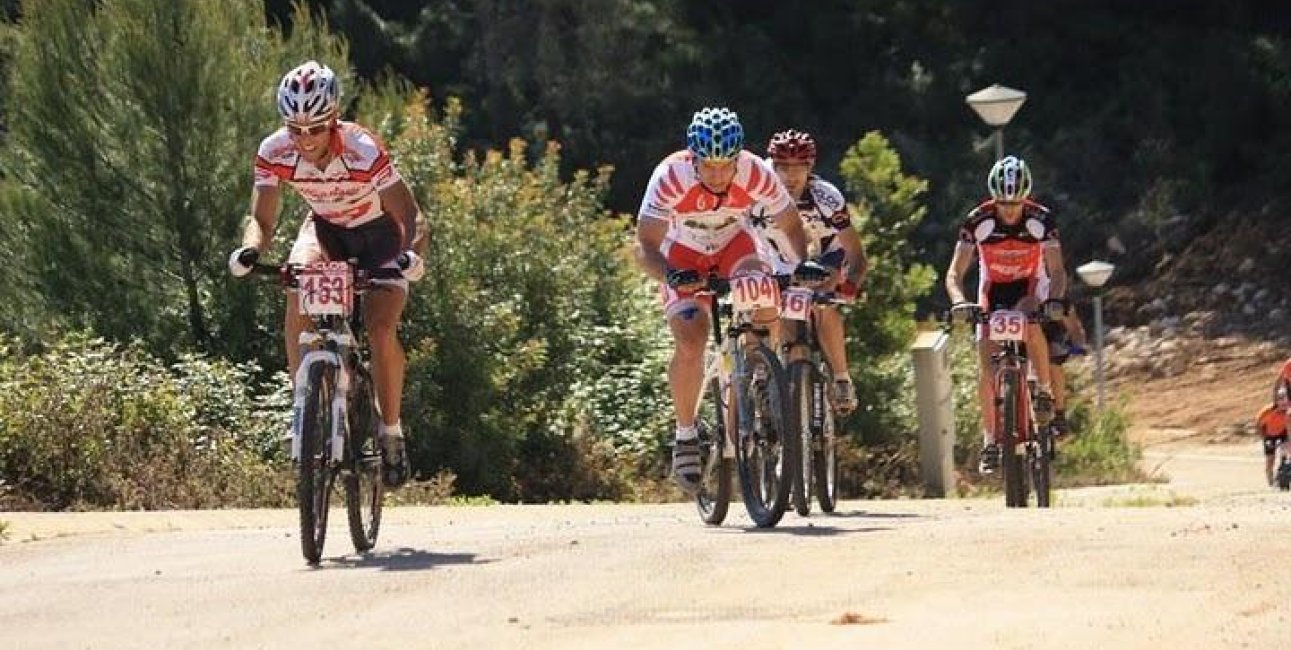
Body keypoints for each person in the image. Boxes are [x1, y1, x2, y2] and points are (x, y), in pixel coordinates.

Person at [227, 60, 427, 488]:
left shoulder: (363, 149)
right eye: (294, 129)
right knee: (297, 283)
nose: (304, 140)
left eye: (315, 128)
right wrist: (250, 249)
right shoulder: (273, 150)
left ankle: (390, 430)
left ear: (333, 119)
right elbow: (261, 219)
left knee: (379, 328)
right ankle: (304, 405)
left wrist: (411, 255)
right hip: (327, 231)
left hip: (379, 238)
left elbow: (410, 215)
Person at [634, 107, 824, 493]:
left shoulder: (755, 171)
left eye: (727, 165)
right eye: (709, 166)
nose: (719, 175)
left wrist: (803, 262)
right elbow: (645, 246)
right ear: (693, 158)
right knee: (692, 337)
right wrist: (671, 275)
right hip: (682, 254)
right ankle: (686, 434)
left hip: (733, 247)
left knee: (765, 295)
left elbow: (790, 225)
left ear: (739, 157)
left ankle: (760, 374)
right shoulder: (671, 176)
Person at [944, 155, 1068, 473]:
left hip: (1029, 286)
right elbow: (954, 274)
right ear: (993, 198)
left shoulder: (1041, 219)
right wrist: (959, 302)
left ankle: (1042, 391)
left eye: (1015, 203)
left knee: (1032, 322)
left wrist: (1053, 301)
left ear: (1025, 197)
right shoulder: (977, 220)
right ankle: (990, 439)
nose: (1010, 210)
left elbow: (1056, 271)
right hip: (994, 290)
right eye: (1003, 203)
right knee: (986, 366)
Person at [747, 129, 868, 413]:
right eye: (783, 168)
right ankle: (778, 376)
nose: (790, 176)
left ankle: (841, 377)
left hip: (827, 254)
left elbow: (857, 255)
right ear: (772, 167)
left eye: (798, 167)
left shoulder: (826, 198)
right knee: (778, 305)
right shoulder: (757, 195)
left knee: (823, 302)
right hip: (783, 257)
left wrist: (849, 285)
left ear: (810, 167)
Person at [1256, 399, 1288, 486]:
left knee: (1285, 454)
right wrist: (1264, 438)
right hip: (1269, 435)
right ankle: (1271, 483)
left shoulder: (1288, 411)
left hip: (1283, 433)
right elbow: (1258, 424)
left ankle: (1284, 475)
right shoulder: (1268, 411)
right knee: (1270, 459)